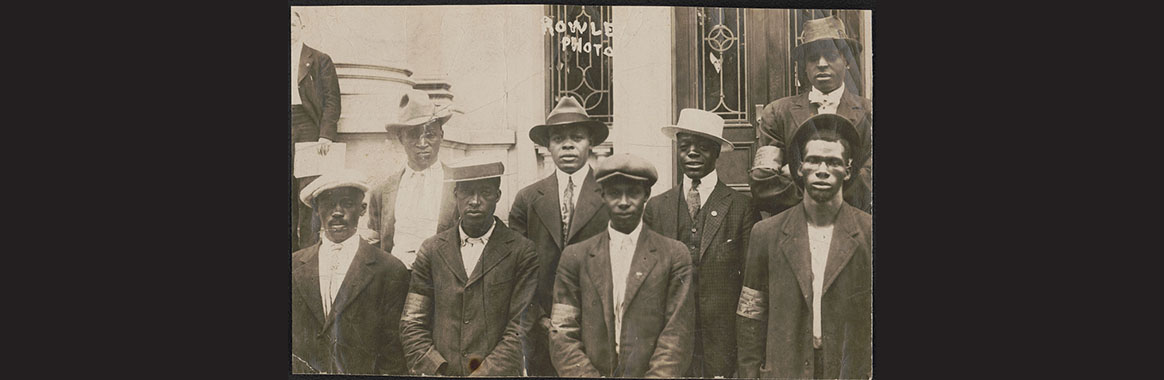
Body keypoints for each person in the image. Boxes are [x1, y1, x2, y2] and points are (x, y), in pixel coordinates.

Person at [737, 114, 872, 379]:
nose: (822, 169)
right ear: (799, 167)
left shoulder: (869, 233)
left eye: (833, 162)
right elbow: (750, 316)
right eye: (813, 160)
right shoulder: (766, 233)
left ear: (847, 169)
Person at [550, 153, 695, 378]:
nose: (624, 202)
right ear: (602, 195)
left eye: (634, 193)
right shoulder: (575, 256)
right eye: (615, 194)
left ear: (646, 195)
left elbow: (677, 334)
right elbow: (562, 332)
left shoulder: (674, 255)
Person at [642, 108, 759, 378]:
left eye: (703, 147)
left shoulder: (741, 207)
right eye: (685, 147)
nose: (692, 153)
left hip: (722, 342)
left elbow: (751, 283)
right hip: (669, 340)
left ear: (717, 152)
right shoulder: (657, 208)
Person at [400, 158, 539, 376]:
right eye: (467, 192)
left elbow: (521, 329)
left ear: (498, 197)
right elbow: (412, 321)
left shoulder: (522, 252)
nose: (475, 201)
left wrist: (484, 374)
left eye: (485, 192)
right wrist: (434, 368)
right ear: (455, 195)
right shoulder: (432, 249)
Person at [508, 96, 611, 376]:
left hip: (596, 324)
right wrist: (537, 316)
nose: (567, 145)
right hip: (542, 324)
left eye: (577, 137)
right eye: (558, 138)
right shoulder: (528, 199)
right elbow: (517, 269)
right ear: (547, 146)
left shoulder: (611, 194)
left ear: (591, 143)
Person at [750, 15, 872, 216]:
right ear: (804, 65)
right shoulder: (777, 113)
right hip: (793, 225)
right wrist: (829, 188)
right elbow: (763, 183)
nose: (822, 63)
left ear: (846, 61)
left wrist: (799, 177)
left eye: (831, 56)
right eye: (813, 57)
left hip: (853, 226)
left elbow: (871, 181)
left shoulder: (869, 113)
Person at [291, 169, 410, 375]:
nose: (337, 212)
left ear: (362, 209)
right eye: (328, 204)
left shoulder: (389, 269)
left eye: (347, 203)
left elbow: (393, 350)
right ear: (317, 210)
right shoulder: (294, 266)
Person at [365, 90, 458, 270]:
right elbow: (375, 243)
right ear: (401, 138)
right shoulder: (383, 190)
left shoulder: (458, 184)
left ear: (441, 135)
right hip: (395, 280)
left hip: (441, 281)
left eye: (430, 134)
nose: (422, 143)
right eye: (414, 135)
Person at [291, 10, 342, 251]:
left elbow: (332, 99)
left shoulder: (320, 59)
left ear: (302, 26)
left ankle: (308, 254)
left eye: (292, 24)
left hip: (307, 126)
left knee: (308, 194)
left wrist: (325, 134)